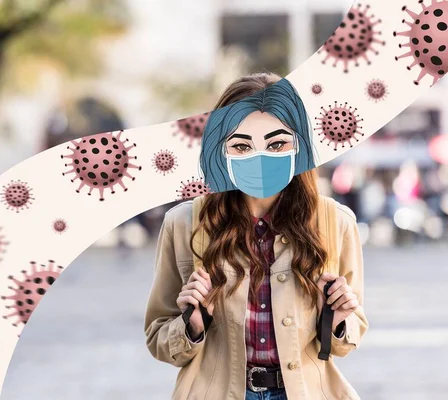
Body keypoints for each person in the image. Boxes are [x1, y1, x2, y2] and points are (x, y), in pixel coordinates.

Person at [144, 72, 368, 400]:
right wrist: (192, 326)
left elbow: (346, 340)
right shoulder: (184, 223)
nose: (260, 158)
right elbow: (158, 337)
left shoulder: (335, 222)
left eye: (277, 143)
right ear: (220, 149)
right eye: (241, 146)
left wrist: (337, 319)